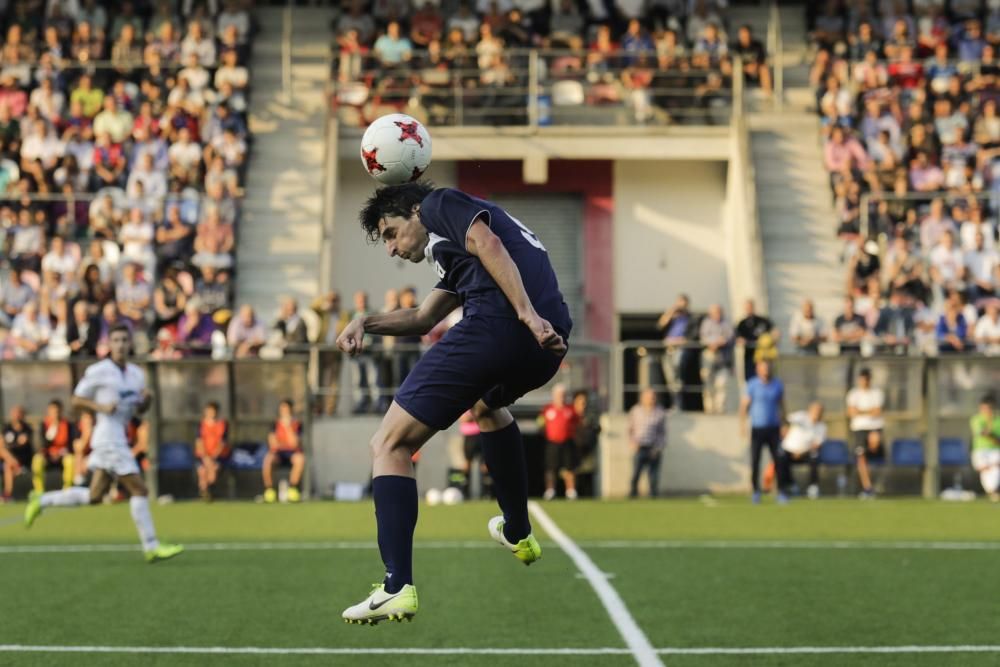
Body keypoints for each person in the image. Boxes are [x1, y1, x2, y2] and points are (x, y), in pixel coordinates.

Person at [337, 182, 571, 624]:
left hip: (504, 325)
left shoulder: (438, 204)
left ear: (412, 211)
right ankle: (518, 531)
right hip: (545, 341)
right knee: (486, 406)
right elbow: (425, 318)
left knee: (389, 445)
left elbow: (488, 242)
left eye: (390, 233)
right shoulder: (456, 254)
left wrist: (525, 314)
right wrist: (363, 321)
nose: (390, 249)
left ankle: (395, 586)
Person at [23, 325, 184, 563]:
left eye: (124, 340)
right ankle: (151, 546)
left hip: (119, 436)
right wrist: (100, 407)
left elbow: (139, 410)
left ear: (130, 344)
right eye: (116, 340)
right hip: (108, 438)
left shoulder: (136, 374)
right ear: (109, 345)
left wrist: (146, 401)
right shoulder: (99, 371)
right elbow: (76, 400)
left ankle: (42, 500)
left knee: (95, 496)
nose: (120, 345)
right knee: (140, 490)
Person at [740, 360, 787, 504]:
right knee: (755, 461)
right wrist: (742, 425)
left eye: (767, 367)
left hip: (774, 428)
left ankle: (781, 492)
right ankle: (755, 491)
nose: (766, 370)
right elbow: (744, 406)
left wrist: (785, 424)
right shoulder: (752, 385)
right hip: (758, 428)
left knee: (779, 460)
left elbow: (782, 405)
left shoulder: (777, 384)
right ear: (758, 369)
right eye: (763, 368)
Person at [846, 368, 885, 499]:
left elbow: (877, 412)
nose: (864, 382)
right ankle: (868, 488)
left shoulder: (877, 393)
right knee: (861, 456)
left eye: (866, 379)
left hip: (875, 428)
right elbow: (851, 412)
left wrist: (860, 411)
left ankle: (876, 483)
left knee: (874, 446)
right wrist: (869, 411)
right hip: (859, 429)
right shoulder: (853, 394)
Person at [539, 383, 579, 501]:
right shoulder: (547, 409)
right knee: (550, 467)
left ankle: (570, 490)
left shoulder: (570, 410)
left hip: (567, 442)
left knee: (569, 467)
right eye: (558, 395)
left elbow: (578, 424)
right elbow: (541, 424)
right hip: (552, 442)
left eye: (563, 394)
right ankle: (550, 490)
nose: (561, 397)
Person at [779, 401, 826, 499]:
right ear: (810, 410)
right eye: (815, 410)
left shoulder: (822, 427)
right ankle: (787, 486)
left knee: (814, 457)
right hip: (789, 450)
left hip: (805, 453)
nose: (817, 413)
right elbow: (787, 420)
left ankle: (813, 488)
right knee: (781, 458)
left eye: (819, 411)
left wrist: (801, 452)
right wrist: (784, 428)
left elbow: (816, 445)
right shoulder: (801, 416)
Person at [262, 399, 304, 504]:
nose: (284, 411)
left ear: (291, 410)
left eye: (286, 409)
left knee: (300, 459)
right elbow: (273, 443)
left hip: (292, 453)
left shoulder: (297, 424)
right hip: (278, 453)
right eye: (282, 409)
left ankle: (293, 489)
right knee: (268, 459)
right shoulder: (274, 424)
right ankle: (269, 490)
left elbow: (294, 443)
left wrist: (287, 427)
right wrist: (284, 444)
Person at [627, 388, 667, 498]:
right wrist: (632, 442)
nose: (651, 399)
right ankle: (633, 494)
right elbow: (630, 429)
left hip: (653, 447)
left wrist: (659, 447)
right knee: (636, 473)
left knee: (653, 475)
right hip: (640, 446)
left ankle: (653, 495)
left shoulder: (660, 412)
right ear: (643, 398)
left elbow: (662, 432)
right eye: (648, 397)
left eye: (653, 397)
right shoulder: (635, 411)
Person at [32, 399, 76, 493]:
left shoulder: (68, 425)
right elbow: (41, 445)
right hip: (48, 456)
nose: (56, 414)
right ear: (49, 411)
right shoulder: (43, 425)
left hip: (62, 455)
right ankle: (39, 491)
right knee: (37, 460)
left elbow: (71, 444)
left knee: (71, 460)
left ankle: (67, 491)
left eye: (58, 411)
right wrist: (53, 429)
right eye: (53, 411)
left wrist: (63, 452)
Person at [195, 401, 229, 501]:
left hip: (218, 457)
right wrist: (205, 457)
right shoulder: (201, 425)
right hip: (203, 456)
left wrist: (213, 456)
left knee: (213, 469)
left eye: (212, 411)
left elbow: (222, 443)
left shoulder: (222, 424)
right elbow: (199, 442)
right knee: (202, 470)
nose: (210, 413)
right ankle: (204, 492)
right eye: (208, 411)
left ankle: (208, 491)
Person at [970, 395, 1000, 502]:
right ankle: (993, 492)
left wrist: (991, 435)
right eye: (984, 408)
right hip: (980, 451)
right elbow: (982, 433)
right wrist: (992, 435)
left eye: (989, 408)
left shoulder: (998, 420)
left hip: (996, 450)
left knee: (995, 469)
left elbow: (996, 439)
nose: (986, 411)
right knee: (986, 470)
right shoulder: (977, 419)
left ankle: (993, 492)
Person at [2, 405, 33, 501]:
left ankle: (7, 494)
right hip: (10, 461)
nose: (17, 416)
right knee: (5, 457)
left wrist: (10, 445)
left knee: (8, 466)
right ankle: (16, 466)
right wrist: (14, 445)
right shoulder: (6, 428)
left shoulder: (27, 429)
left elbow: (23, 443)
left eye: (19, 413)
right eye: (15, 413)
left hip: (23, 461)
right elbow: (2, 445)